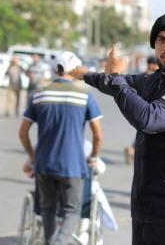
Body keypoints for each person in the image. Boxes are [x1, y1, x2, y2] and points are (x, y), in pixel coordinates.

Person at [71, 12, 165, 245]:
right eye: (161, 40)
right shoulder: (154, 81)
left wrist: (116, 76)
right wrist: (81, 74)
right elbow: (113, 84)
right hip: (146, 210)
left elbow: (149, 119)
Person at [19, 51, 103, 245]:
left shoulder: (38, 94)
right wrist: (93, 157)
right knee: (72, 211)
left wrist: (33, 156)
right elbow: (98, 135)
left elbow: (23, 132)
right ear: (74, 70)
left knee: (47, 209)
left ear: (54, 69)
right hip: (73, 166)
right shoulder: (85, 96)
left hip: (44, 164)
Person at [124, 56, 159, 164]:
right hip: (149, 111)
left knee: (142, 132)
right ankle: (133, 149)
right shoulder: (154, 77)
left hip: (139, 109)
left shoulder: (141, 76)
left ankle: (133, 149)